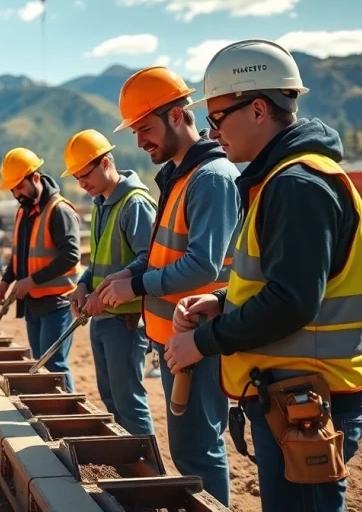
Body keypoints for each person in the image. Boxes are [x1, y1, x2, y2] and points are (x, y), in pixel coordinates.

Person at [163, 39, 362, 512]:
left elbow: (291, 301)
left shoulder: (297, 185)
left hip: (309, 400)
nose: (212, 130)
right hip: (294, 394)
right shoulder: (278, 180)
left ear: (258, 109)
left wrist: (202, 341)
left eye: (217, 118)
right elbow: (281, 283)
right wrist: (222, 300)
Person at [97, 65, 240, 507]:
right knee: (188, 448)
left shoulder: (211, 179)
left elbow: (202, 266)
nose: (139, 142)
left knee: (199, 449)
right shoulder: (179, 176)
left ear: (177, 116)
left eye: (145, 129)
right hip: (175, 339)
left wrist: (137, 285)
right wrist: (130, 272)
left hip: (197, 339)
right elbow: (166, 251)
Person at [62, 130, 156, 436]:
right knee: (111, 400)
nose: (81, 184)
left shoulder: (135, 204)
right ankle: (131, 466)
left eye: (85, 174)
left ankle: (149, 475)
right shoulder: (102, 203)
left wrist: (105, 296)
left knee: (128, 403)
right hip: (102, 318)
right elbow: (99, 261)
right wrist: (82, 283)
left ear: (106, 162)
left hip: (125, 321)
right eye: (76, 177)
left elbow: (150, 261)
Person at [0, 147, 81, 393]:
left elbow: (71, 256)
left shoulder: (59, 210)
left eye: (20, 187)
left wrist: (31, 281)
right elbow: (19, 254)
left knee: (54, 365)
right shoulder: (24, 211)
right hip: (33, 303)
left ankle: (70, 418)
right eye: (12, 190)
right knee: (40, 363)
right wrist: (5, 281)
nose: (16, 194)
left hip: (57, 303)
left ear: (35, 178)